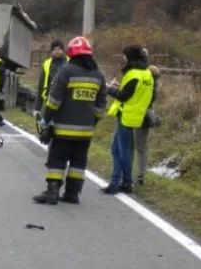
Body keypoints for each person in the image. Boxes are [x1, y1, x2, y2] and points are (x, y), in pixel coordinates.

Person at [33, 36, 107, 205]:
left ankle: (52, 192)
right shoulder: (98, 75)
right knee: (78, 162)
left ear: (72, 53)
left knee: (57, 159)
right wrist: (92, 123)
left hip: (63, 129)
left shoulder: (66, 71)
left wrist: (45, 120)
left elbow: (54, 100)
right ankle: (72, 194)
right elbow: (101, 106)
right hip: (86, 131)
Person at [103, 45, 155, 194]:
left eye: (125, 55)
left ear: (130, 56)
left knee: (123, 151)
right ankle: (118, 182)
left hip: (126, 114)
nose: (123, 57)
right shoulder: (147, 73)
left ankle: (124, 182)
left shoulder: (133, 74)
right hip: (136, 114)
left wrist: (108, 88)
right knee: (116, 149)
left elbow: (123, 96)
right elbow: (147, 95)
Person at [133, 50, 160, 186]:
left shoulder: (147, 83)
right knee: (141, 147)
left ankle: (139, 175)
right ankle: (140, 175)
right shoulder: (152, 85)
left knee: (139, 148)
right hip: (144, 117)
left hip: (140, 116)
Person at [33, 40, 68, 120]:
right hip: (49, 103)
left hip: (66, 103)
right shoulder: (47, 64)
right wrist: (37, 108)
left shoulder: (70, 62)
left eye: (59, 49)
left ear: (63, 50)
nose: (57, 52)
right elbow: (41, 87)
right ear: (51, 51)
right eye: (55, 49)